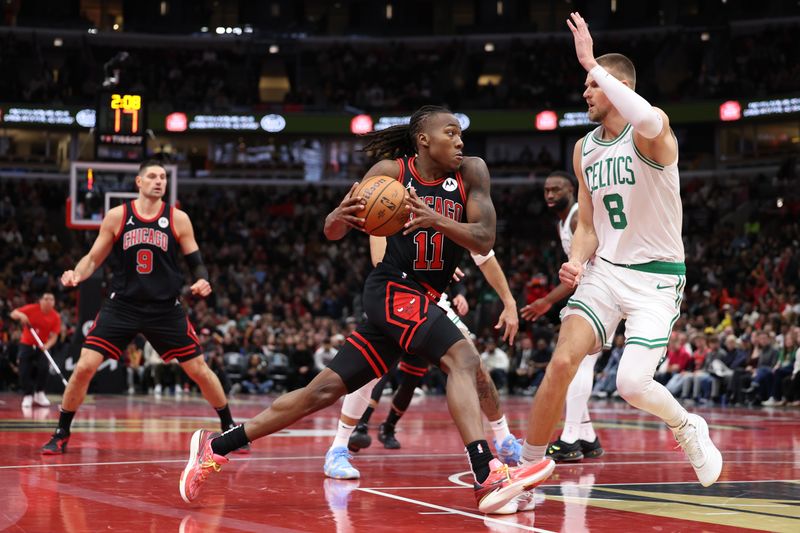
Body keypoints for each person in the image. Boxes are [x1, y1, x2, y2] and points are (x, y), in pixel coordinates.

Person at [179, 105, 554, 514]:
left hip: (421, 297)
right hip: (392, 289)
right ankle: (487, 474)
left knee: (320, 392)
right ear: (423, 140)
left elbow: (483, 239)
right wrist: (336, 217)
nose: (460, 140)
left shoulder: (472, 172)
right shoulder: (392, 173)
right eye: (451, 133)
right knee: (462, 357)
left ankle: (215, 445)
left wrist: (434, 220)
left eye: (461, 134)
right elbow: (334, 229)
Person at [519, 13, 722, 489]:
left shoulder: (652, 134)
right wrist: (578, 258)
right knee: (563, 360)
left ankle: (686, 425)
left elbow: (648, 115)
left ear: (617, 86)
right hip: (606, 273)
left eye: (592, 85)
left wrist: (594, 62)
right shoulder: (584, 148)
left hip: (656, 278)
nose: (585, 93)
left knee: (631, 384)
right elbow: (588, 223)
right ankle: (524, 470)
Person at [41, 160, 244, 455]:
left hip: (164, 308)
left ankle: (229, 426)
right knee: (84, 366)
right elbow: (93, 258)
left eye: (162, 177)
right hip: (122, 305)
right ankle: (61, 431)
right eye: (152, 176)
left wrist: (202, 279)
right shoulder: (117, 215)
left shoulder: (178, 219)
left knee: (198, 369)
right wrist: (77, 273)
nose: (159, 181)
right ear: (138, 182)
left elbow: (196, 262)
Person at [324, 236, 523, 486]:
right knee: (369, 373)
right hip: (395, 294)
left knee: (474, 365)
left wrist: (508, 300)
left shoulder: (450, 206)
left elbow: (483, 253)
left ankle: (504, 440)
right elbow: (379, 259)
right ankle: (339, 448)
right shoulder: (392, 199)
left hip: (434, 300)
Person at [521, 171, 605, 463]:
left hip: (605, 290)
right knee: (578, 362)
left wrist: (546, 300)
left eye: (556, 189)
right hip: (591, 290)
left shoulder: (578, 215)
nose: (550, 195)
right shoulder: (564, 221)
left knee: (578, 362)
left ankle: (569, 439)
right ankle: (587, 437)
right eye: (546, 190)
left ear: (571, 189)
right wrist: (547, 301)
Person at [10, 292, 62, 408]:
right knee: (24, 370)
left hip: (42, 346)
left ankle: (39, 393)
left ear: (54, 303)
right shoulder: (32, 309)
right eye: (46, 299)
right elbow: (13, 313)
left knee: (44, 368)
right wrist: (21, 315)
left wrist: (47, 346)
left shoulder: (55, 316)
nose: (48, 301)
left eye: (51, 299)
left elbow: (54, 336)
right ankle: (28, 395)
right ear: (40, 301)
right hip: (27, 344)